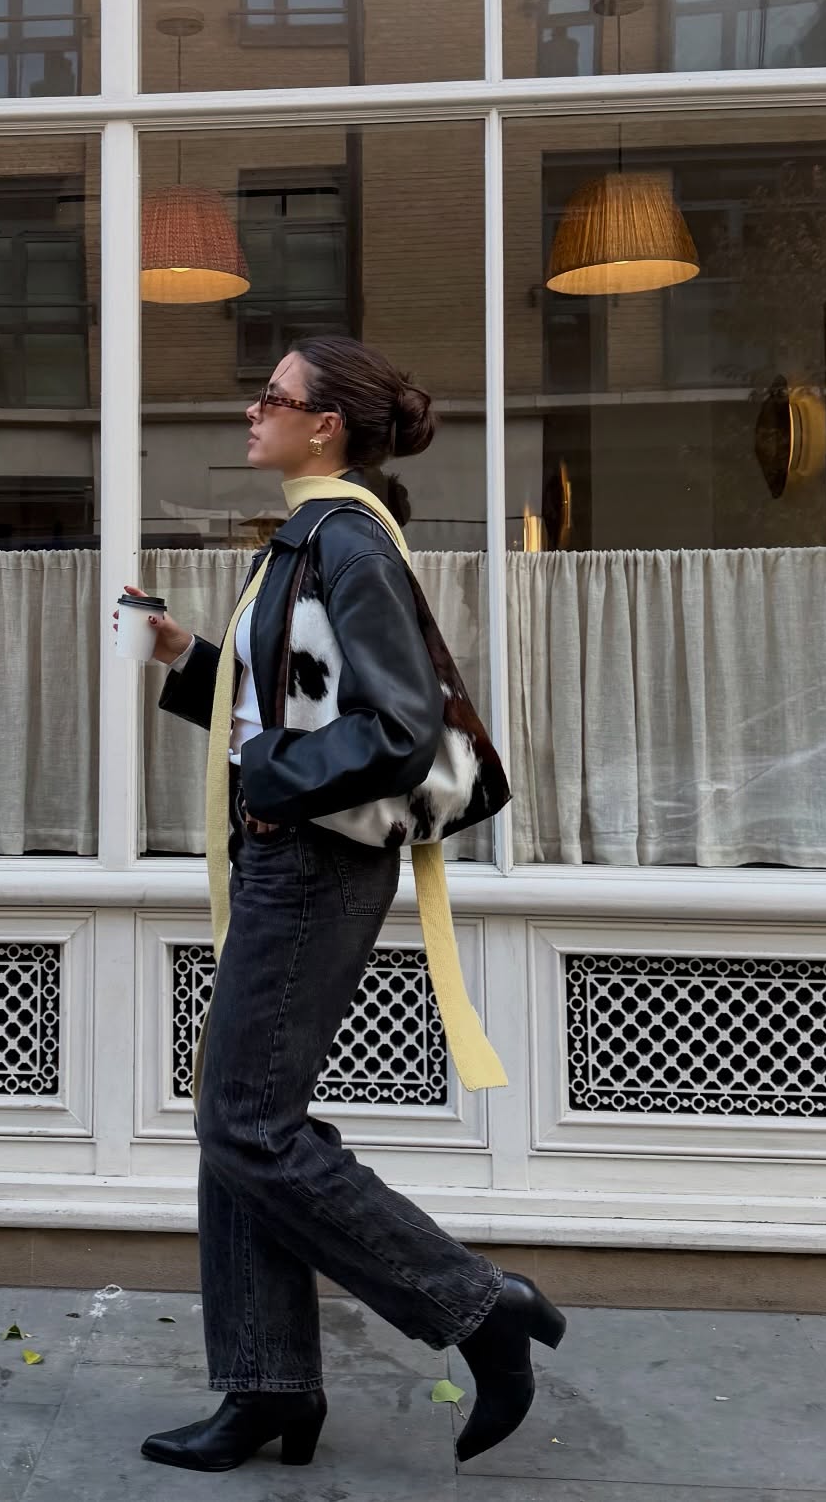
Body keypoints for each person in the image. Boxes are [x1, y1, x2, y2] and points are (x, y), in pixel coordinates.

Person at [114, 336, 565, 1473]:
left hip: (313, 866)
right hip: (291, 860)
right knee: (239, 1127)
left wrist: (270, 788)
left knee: (246, 1123)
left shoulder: (348, 541)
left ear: (326, 426)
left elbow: (401, 728)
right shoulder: (309, 538)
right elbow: (300, 702)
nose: (251, 411)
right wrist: (186, 656)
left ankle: (476, 1305)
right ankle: (267, 1387)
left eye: (273, 397)